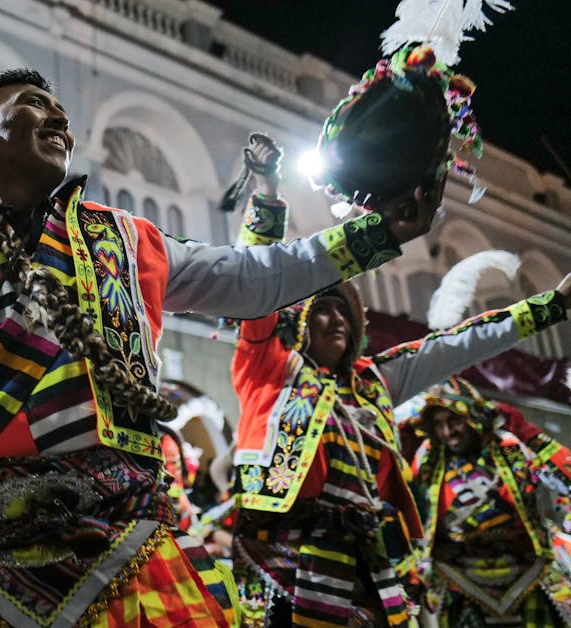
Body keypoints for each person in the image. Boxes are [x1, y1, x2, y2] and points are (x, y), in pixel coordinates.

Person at [0, 0, 444, 623]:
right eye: (30, 105)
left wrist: (380, 233)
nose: (55, 116)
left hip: (121, 548)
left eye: (59, 110)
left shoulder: (131, 243)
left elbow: (256, 276)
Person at [226, 135, 571, 626]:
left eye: (345, 312)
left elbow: (458, 344)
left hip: (369, 556)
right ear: (297, 322)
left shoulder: (373, 382)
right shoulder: (269, 367)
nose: (339, 322)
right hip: (286, 555)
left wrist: (551, 306)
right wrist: (268, 192)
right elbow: (250, 282)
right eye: (324, 312)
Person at [412, 378, 571, 625]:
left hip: (527, 573)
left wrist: (529, 434)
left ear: (473, 416)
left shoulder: (511, 448)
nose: (448, 432)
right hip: (459, 580)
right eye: (439, 424)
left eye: (454, 420)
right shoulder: (427, 459)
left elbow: (567, 476)